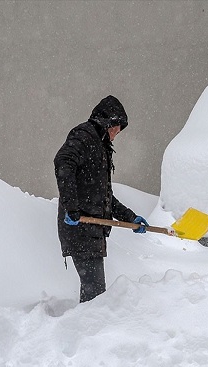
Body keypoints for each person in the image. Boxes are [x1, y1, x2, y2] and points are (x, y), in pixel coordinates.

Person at [54, 95, 149, 303]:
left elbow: (105, 196)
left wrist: (131, 218)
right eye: (116, 127)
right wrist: (71, 207)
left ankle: (85, 329)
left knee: (94, 294)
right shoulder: (84, 136)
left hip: (92, 232)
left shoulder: (100, 146)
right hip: (80, 227)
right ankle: (86, 331)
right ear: (106, 121)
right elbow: (63, 162)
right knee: (95, 294)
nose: (117, 133)